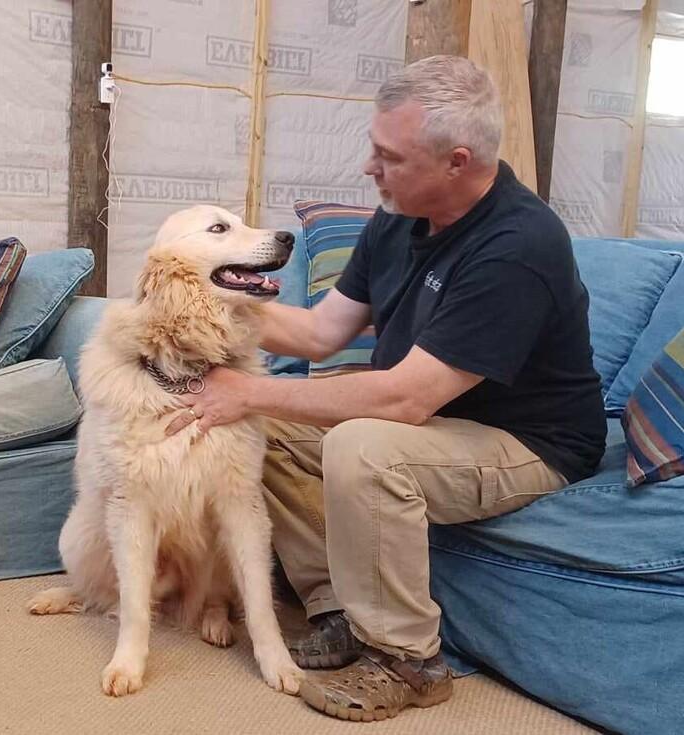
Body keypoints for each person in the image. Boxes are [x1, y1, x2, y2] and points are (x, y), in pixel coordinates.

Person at [166, 55, 606, 720]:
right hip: (434, 419)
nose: (369, 168)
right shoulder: (400, 215)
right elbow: (321, 332)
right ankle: (336, 608)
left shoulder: (519, 244)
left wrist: (248, 391)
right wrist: (194, 303)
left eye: (389, 157)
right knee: (260, 430)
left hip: (529, 442)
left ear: (457, 162)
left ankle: (409, 660)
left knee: (363, 448)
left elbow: (404, 399)